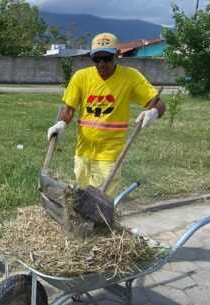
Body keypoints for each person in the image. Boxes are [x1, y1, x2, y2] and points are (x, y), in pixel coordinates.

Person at [47, 32, 166, 197]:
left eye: (107, 58)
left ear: (117, 55)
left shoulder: (130, 77)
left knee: (101, 201)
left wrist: (153, 112)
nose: (102, 64)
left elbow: (160, 104)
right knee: (80, 197)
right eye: (97, 59)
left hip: (110, 153)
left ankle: (102, 223)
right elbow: (69, 109)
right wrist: (61, 124)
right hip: (83, 151)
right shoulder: (81, 77)